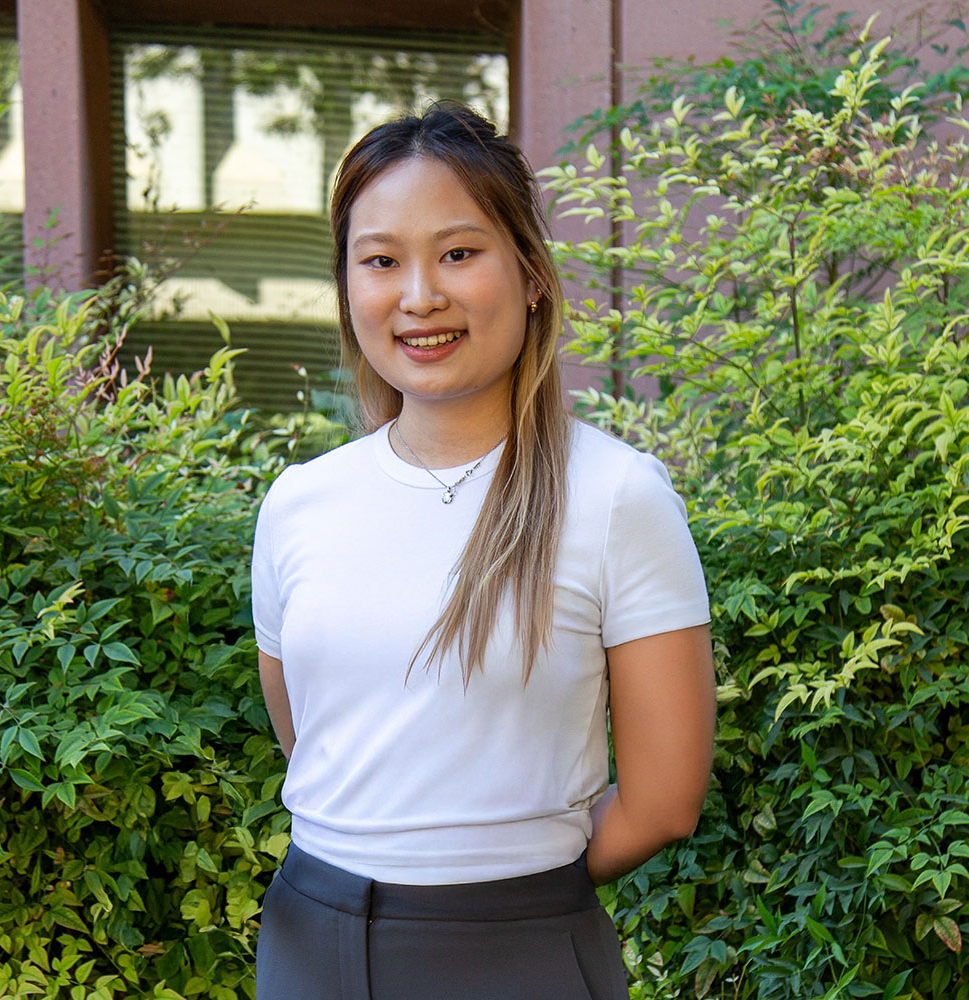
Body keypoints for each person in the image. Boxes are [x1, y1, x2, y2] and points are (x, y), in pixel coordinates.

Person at [250, 102, 715, 1000]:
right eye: (381, 261)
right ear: (349, 286)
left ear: (532, 274)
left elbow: (664, 800)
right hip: (308, 939)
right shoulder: (299, 502)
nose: (419, 295)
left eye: (459, 253)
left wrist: (513, 886)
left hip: (516, 951)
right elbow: (310, 739)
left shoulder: (617, 495)